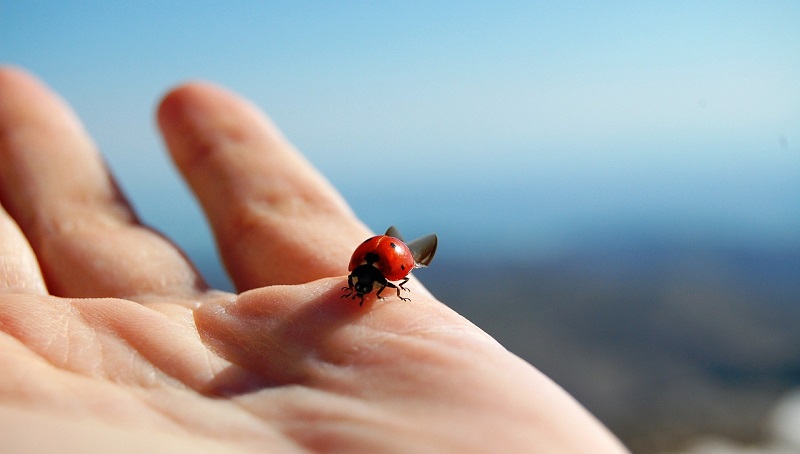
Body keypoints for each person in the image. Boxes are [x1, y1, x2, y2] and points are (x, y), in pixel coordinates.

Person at [0, 66, 627, 453]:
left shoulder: (378, 269)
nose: (359, 288)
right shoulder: (381, 271)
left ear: (367, 273)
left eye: (364, 281)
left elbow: (381, 268)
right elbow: (384, 269)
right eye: (365, 281)